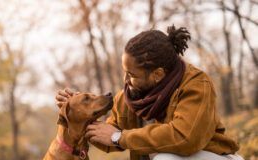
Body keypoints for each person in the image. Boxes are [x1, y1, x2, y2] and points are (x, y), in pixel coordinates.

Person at [56, 25, 243, 160]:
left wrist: (119, 137)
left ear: (157, 74)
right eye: (125, 72)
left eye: (131, 74)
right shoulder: (131, 96)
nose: (126, 80)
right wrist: (77, 111)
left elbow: (184, 138)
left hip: (215, 157)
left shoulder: (196, 85)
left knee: (165, 159)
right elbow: (107, 136)